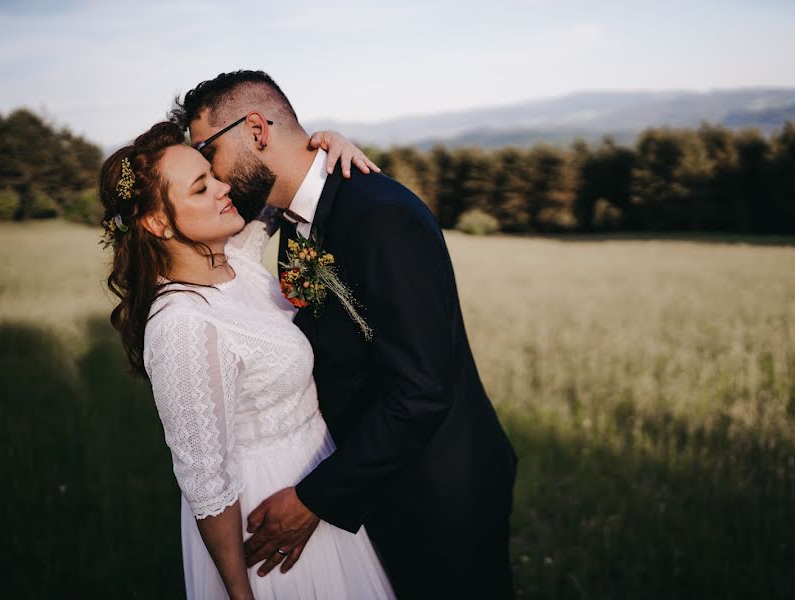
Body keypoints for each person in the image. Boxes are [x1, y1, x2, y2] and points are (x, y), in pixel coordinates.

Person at [172, 70, 519, 599]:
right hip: (374, 481)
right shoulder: (294, 220)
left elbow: (422, 389)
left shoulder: (380, 215)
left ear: (258, 131)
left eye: (208, 151)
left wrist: (314, 498)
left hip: (439, 492)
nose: (212, 176)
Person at [100, 121, 394, 599]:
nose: (223, 188)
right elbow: (206, 484)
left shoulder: (235, 255)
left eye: (211, 175)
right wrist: (239, 593)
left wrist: (326, 147)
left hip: (317, 478)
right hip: (268, 517)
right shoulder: (183, 323)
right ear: (157, 223)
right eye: (201, 187)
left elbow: (284, 176)